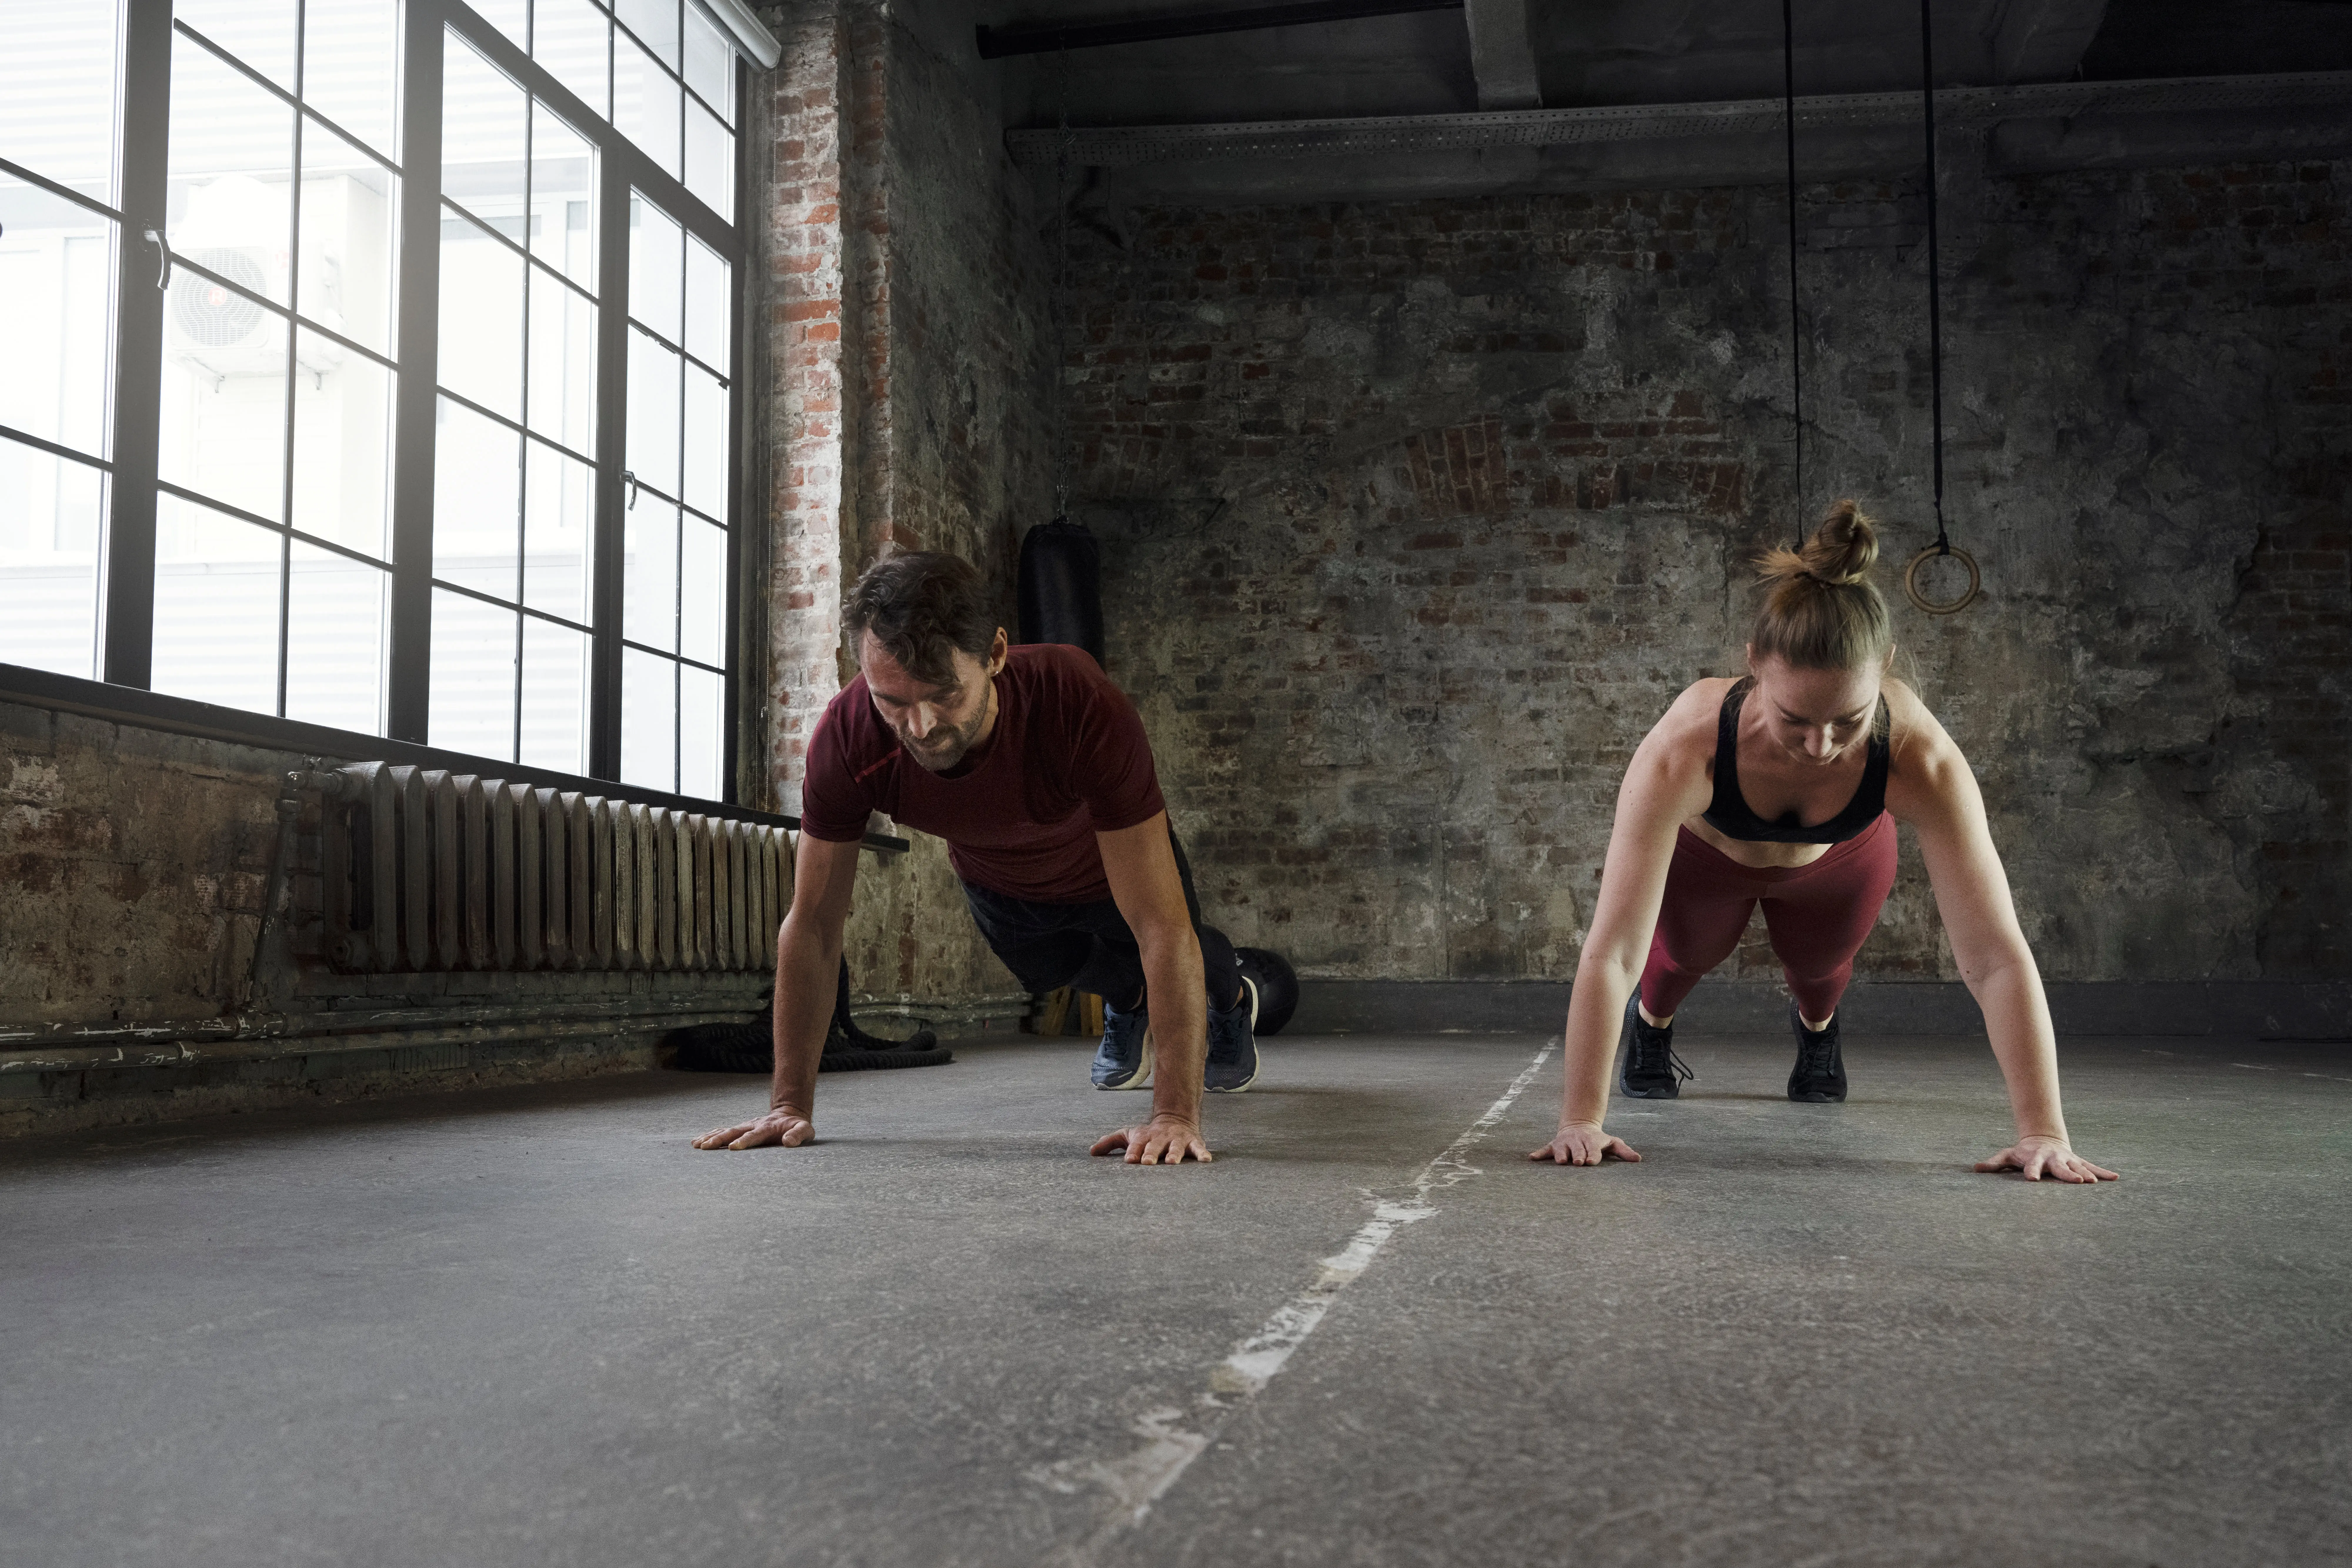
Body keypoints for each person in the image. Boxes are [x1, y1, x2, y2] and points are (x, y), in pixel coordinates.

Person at [1529, 502, 2118, 1184]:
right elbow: (1613, 950)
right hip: (1710, 862)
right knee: (1681, 955)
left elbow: (1994, 956)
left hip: (1838, 862)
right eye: (1794, 720)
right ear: (1754, 664)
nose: (1820, 745)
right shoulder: (1686, 749)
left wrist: (2044, 1132)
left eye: (1848, 721)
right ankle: (1653, 1028)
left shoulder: (1917, 754)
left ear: (1886, 670)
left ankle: (1817, 1032)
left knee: (1819, 968)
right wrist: (1581, 1119)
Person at [694, 550, 1257, 1165]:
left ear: (995, 654)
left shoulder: (1076, 700)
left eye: (944, 695)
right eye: (894, 703)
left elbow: (1160, 925)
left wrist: (1174, 1113)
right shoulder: (850, 740)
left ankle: (1231, 1003)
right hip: (1002, 888)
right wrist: (788, 1105)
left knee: (1188, 948)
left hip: (1109, 865)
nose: (922, 726)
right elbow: (814, 926)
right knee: (1078, 972)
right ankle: (1133, 1000)